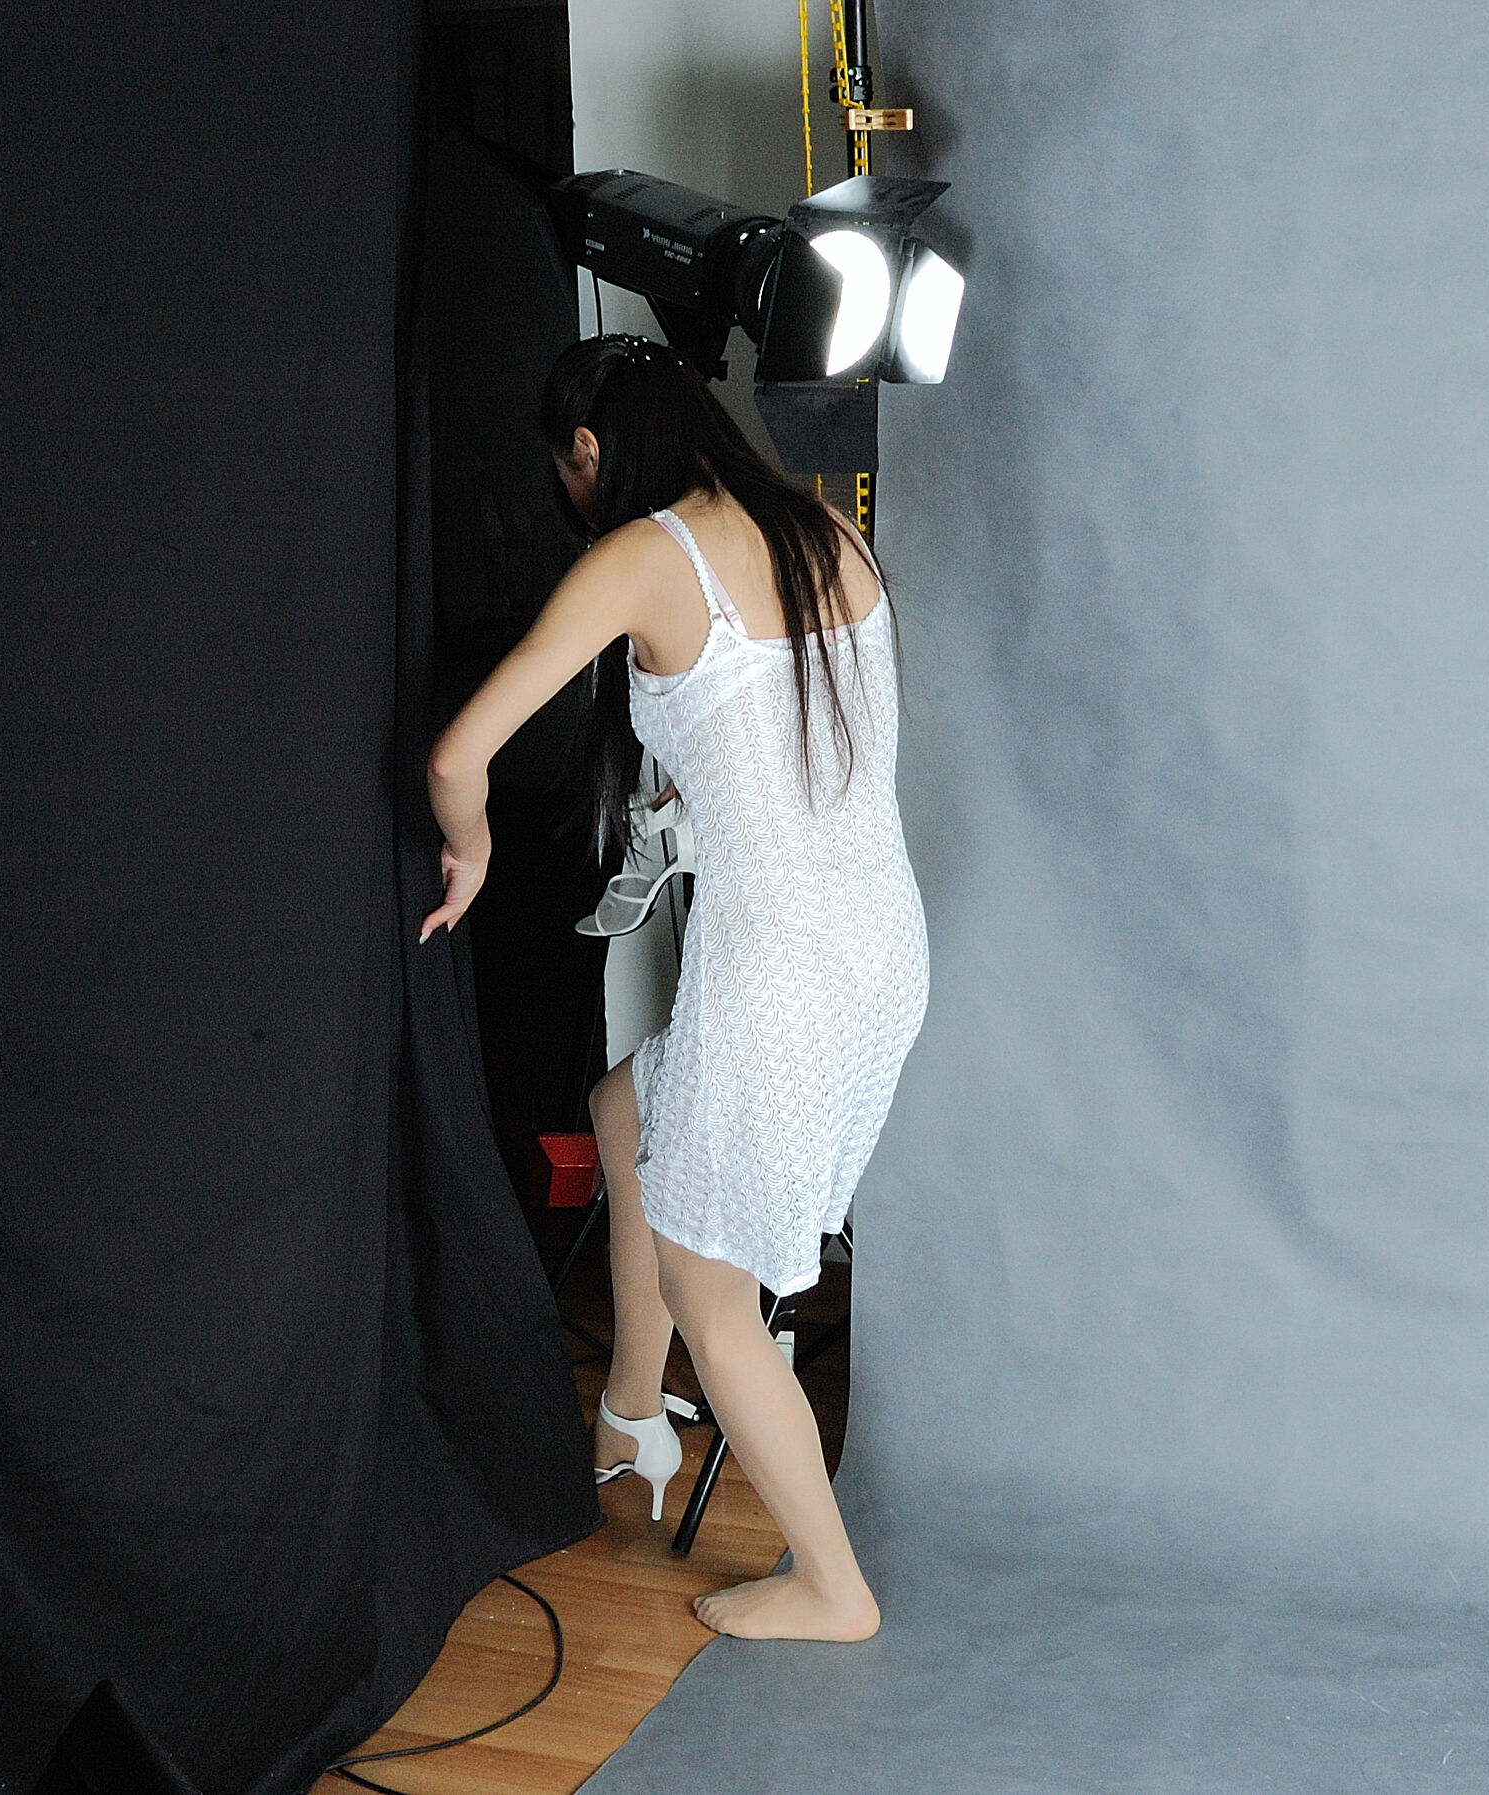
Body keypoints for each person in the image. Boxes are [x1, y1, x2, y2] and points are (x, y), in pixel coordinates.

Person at [420, 335, 927, 1641]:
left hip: (779, 975)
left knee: (718, 1298)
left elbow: (459, 757)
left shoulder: (647, 556)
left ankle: (832, 1587)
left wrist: (470, 851)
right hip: (883, 948)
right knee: (623, 1109)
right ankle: (633, 1410)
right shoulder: (826, 534)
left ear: (589, 450)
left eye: (566, 470)